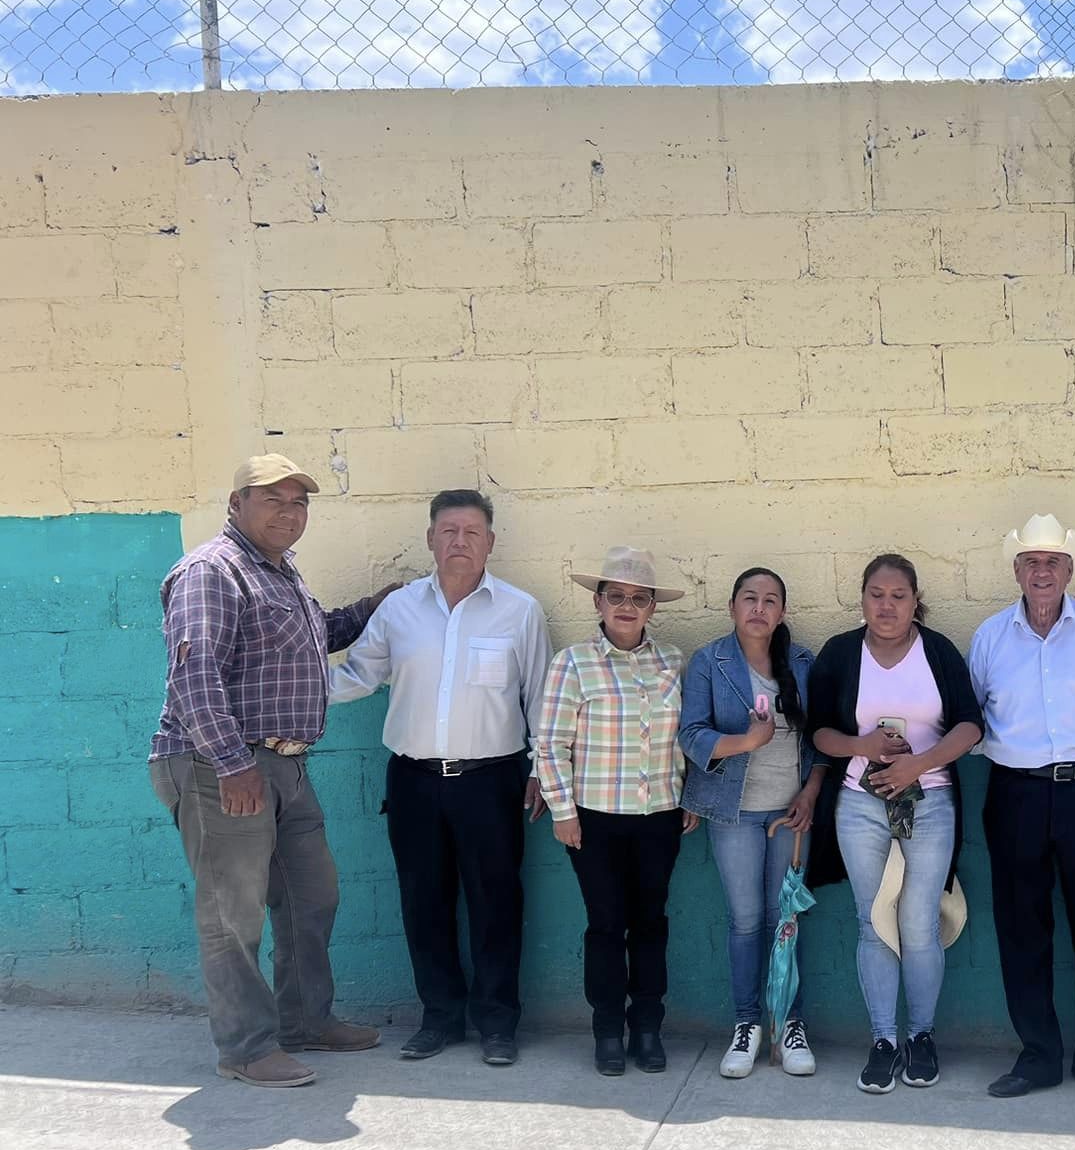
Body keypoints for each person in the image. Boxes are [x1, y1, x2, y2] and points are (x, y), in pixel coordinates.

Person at [146, 454, 398, 1088]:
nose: (290, 512)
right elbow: (193, 672)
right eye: (273, 500)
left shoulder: (281, 575)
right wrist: (232, 765)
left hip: (285, 765)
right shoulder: (213, 571)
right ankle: (246, 1047)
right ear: (236, 505)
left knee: (313, 896)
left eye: (299, 503)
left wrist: (375, 606)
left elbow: (313, 639)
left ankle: (304, 1020)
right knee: (233, 913)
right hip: (221, 763)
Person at [328, 490, 551, 1068]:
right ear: (430, 539)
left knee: (496, 903)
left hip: (493, 780)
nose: (459, 542)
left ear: (490, 543)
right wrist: (290, 688)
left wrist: (541, 772)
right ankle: (441, 1019)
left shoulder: (520, 611)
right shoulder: (399, 609)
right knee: (423, 903)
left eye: (472, 532)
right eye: (448, 531)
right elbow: (357, 674)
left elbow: (540, 699)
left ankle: (498, 1025)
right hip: (414, 782)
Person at [968, 513, 1075, 1101]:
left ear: (1069, 570)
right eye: (1031, 562)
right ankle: (1038, 1055)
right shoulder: (990, 636)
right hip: (1014, 793)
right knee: (1021, 927)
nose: (1042, 572)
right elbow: (978, 716)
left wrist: (1074, 762)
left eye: (1053, 562)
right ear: (1017, 571)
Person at [803, 556, 981, 1093]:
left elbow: (970, 726)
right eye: (876, 594)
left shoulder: (939, 651)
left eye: (898, 595)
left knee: (919, 923)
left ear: (914, 600)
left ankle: (921, 1036)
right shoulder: (839, 653)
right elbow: (819, 734)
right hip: (860, 804)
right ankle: (883, 1041)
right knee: (872, 920)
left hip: (929, 801)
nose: (887, 605)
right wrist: (860, 746)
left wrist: (915, 765)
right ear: (862, 599)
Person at [535, 546, 699, 1077]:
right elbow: (551, 743)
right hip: (595, 818)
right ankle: (608, 1030)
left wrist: (688, 794)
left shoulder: (674, 662)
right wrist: (562, 810)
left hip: (659, 817)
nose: (627, 606)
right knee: (605, 925)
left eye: (639, 598)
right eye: (616, 596)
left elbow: (690, 736)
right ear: (599, 603)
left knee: (651, 924)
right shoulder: (573, 664)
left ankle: (647, 1028)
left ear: (653, 608)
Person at [681, 567, 826, 1079]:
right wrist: (746, 741)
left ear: (782, 612)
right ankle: (747, 1026)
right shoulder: (709, 662)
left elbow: (821, 741)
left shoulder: (804, 663)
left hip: (791, 814)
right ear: (732, 607)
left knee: (785, 920)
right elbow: (691, 734)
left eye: (770, 600)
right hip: (735, 814)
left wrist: (809, 793)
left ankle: (790, 1023)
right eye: (749, 598)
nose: (759, 609)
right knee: (746, 922)